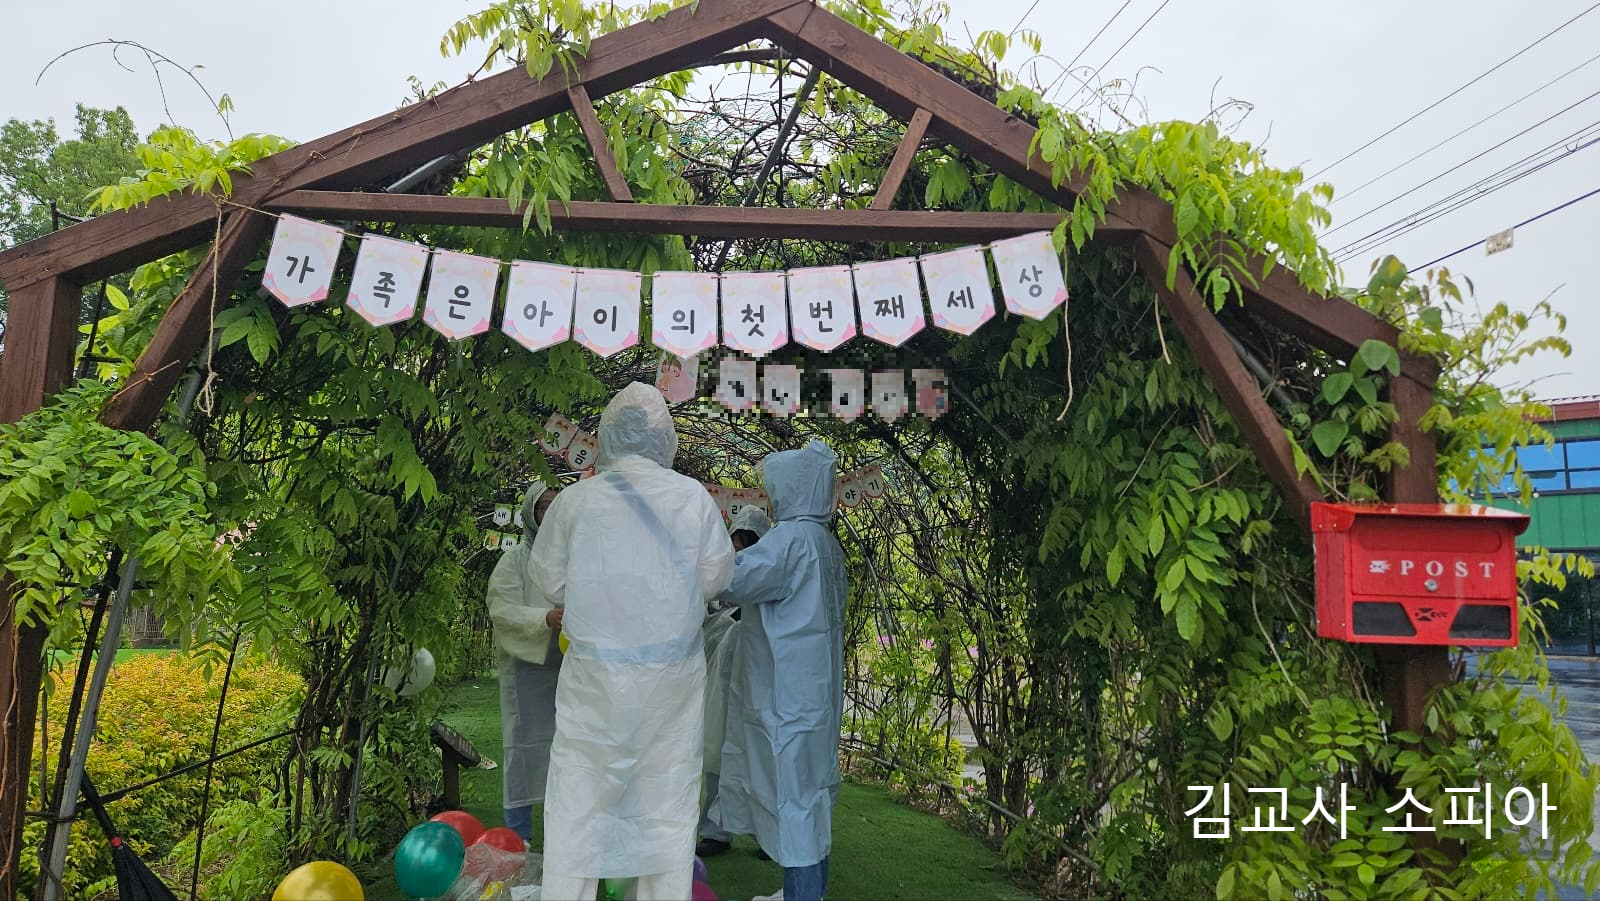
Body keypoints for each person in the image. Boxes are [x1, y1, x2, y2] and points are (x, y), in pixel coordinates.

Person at [530, 383, 735, 901]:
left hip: (594, 687)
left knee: (578, 807)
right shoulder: (693, 499)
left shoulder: (576, 501)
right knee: (665, 811)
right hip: (670, 688)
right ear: (665, 438)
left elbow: (548, 580)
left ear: (606, 436)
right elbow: (716, 577)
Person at [710, 440, 848, 901]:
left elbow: (730, 580)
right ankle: (807, 893)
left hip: (787, 699)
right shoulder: (824, 543)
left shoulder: (788, 542)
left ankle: (803, 895)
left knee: (795, 805)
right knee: (812, 800)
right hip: (814, 699)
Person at [483, 483, 562, 842]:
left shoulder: (573, 558)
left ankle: (567, 833)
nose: (550, 515)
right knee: (523, 749)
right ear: (531, 512)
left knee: (568, 750)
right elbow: (502, 610)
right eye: (544, 507)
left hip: (567, 670)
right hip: (526, 669)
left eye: (556, 508)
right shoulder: (513, 560)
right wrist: (545, 619)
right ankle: (519, 836)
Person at [697, 505, 772, 858]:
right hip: (722, 679)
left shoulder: (773, 571)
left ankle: (764, 833)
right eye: (739, 543)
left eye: (750, 542)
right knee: (717, 751)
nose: (743, 550)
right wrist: (731, 619)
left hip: (758, 684)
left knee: (758, 755)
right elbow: (706, 617)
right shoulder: (722, 572)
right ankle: (715, 829)